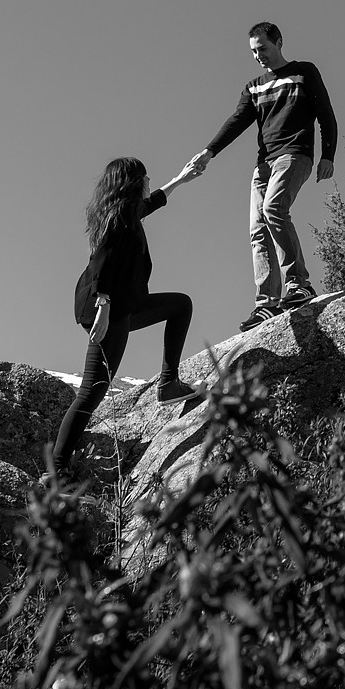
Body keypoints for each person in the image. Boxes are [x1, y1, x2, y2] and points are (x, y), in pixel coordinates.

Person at [49, 156, 202, 476]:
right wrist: (104, 307)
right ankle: (57, 471)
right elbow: (104, 257)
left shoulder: (126, 213)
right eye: (145, 179)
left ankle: (169, 384)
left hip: (119, 305)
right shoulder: (119, 216)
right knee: (92, 391)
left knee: (180, 305)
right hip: (109, 308)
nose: (149, 183)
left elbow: (152, 203)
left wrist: (180, 179)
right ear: (132, 183)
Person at [187, 22, 337, 330]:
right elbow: (237, 120)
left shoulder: (303, 72)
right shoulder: (253, 86)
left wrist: (328, 156)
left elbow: (326, 114)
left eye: (263, 49)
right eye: (254, 52)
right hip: (264, 164)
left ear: (279, 42)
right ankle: (267, 303)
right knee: (257, 229)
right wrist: (209, 152)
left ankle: (298, 284)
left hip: (295, 154)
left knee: (273, 210)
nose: (259, 56)